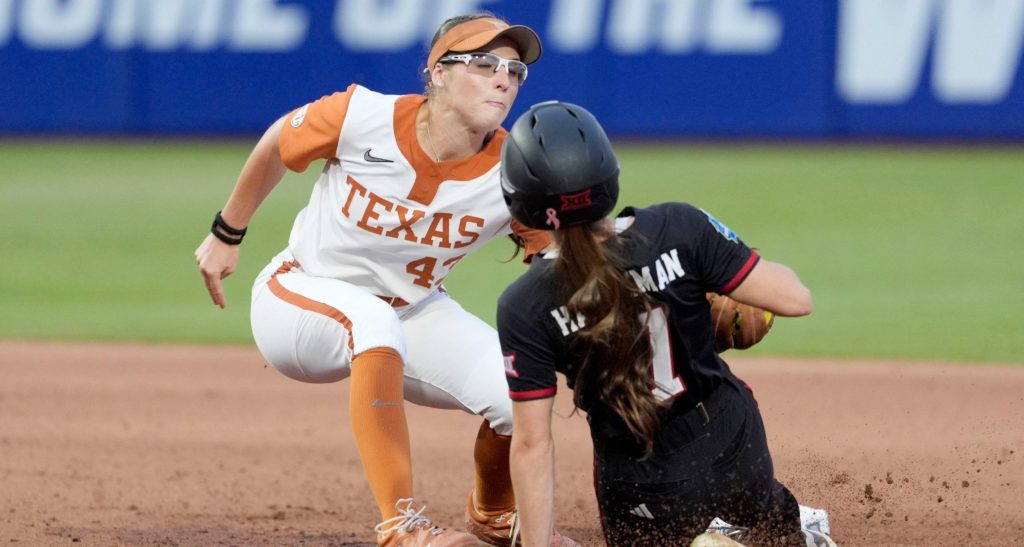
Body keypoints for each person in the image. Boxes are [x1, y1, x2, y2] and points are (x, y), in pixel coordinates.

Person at [194, 13, 576, 547]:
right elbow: (277, 143)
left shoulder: (516, 169)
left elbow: (555, 261)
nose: (503, 80)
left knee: (517, 389)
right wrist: (226, 232)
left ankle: (492, 511)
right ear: (438, 72)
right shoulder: (361, 116)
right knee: (369, 318)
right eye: (485, 64)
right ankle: (401, 526)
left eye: (515, 72)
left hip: (413, 312)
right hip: (299, 296)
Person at [497, 102, 838, 547]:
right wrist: (730, 265)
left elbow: (532, 446)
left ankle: (714, 535)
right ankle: (785, 527)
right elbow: (796, 300)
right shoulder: (680, 226)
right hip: (735, 442)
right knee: (762, 508)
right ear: (607, 175)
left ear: (520, 202)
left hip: (644, 482)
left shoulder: (523, 304)